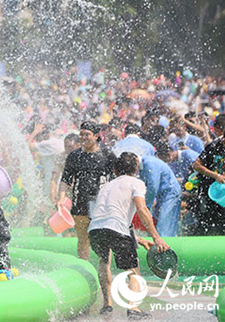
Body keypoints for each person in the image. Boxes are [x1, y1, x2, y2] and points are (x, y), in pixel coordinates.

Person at [88, 152, 170, 318]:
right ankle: (133, 308)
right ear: (136, 168)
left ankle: (107, 305)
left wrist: (137, 239)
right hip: (115, 228)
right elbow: (141, 209)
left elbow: (109, 219)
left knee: (104, 261)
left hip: (95, 229)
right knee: (134, 271)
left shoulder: (107, 186)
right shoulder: (136, 183)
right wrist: (156, 237)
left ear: (115, 170)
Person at [57, 121, 114, 260]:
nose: (83, 137)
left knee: (103, 238)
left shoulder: (106, 154)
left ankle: (104, 268)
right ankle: (85, 266)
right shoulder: (75, 156)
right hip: (80, 201)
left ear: (96, 136)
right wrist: (61, 198)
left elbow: (116, 178)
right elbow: (65, 179)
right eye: (81, 134)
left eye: (87, 134)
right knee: (83, 238)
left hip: (100, 202)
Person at [190, 123, 225, 235]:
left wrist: (224, 177)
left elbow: (221, 167)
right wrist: (215, 176)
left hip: (218, 191)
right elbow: (196, 165)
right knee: (206, 222)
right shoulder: (213, 146)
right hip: (206, 191)